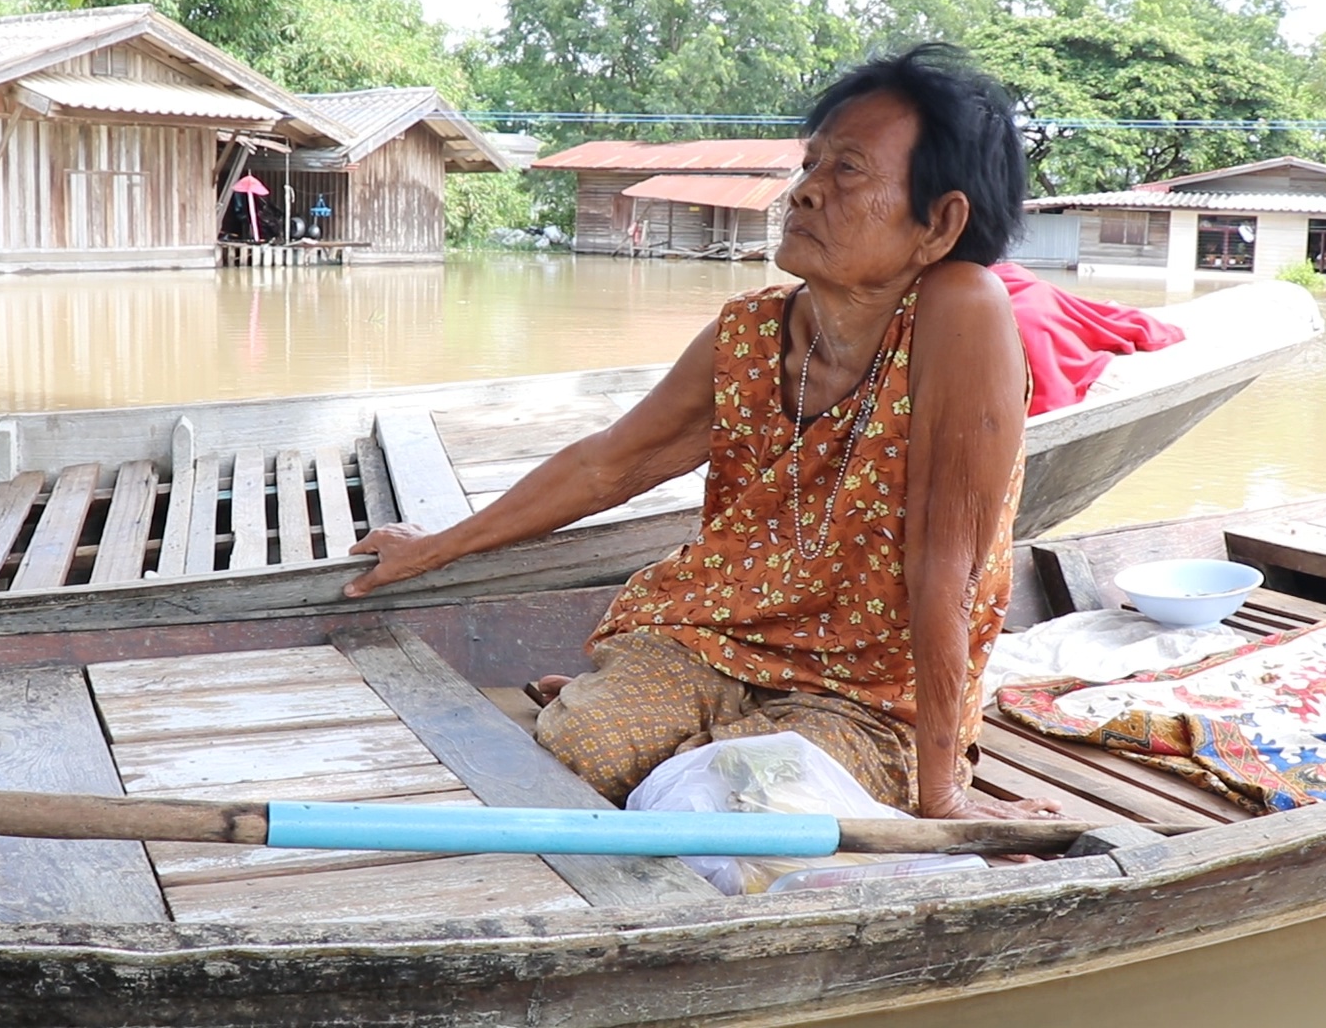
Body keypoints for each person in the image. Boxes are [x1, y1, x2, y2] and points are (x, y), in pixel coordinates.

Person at [344, 44, 1054, 822]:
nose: (806, 193)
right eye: (810, 165)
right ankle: (664, 724)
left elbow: (945, 568)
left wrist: (945, 795)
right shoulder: (751, 329)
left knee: (737, 798)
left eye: (847, 171)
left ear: (940, 222)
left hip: (871, 692)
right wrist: (434, 548)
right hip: (714, 633)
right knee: (584, 749)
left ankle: (695, 743)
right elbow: (609, 464)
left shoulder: (964, 309)